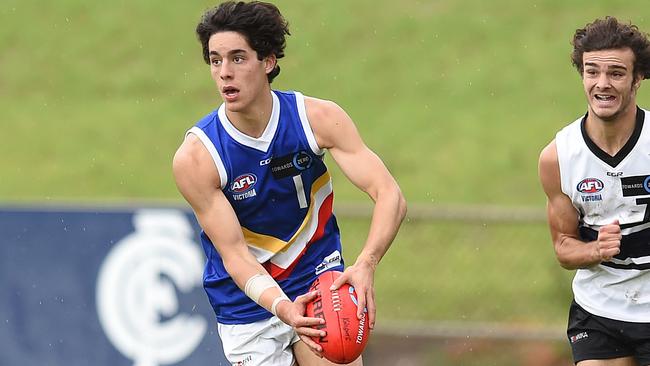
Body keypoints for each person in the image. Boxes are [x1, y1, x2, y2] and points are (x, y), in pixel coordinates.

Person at [172, 2, 407, 365]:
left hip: (318, 281)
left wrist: (365, 264)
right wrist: (281, 306)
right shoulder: (197, 158)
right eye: (216, 60)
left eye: (238, 58)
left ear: (267, 61)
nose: (224, 73)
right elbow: (235, 255)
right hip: (247, 303)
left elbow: (389, 194)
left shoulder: (318, 119)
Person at [539, 16, 650, 366]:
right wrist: (595, 251)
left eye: (616, 73)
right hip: (598, 311)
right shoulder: (558, 157)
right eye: (592, 71)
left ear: (638, 78)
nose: (603, 84)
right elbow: (563, 248)